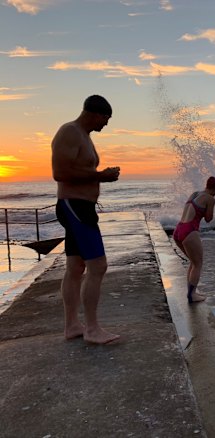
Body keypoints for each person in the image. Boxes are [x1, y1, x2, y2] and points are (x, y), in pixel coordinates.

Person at [51, 95, 121, 344]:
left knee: (75, 267)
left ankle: (72, 326)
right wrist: (100, 176)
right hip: (75, 206)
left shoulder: (84, 135)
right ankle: (92, 329)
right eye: (106, 119)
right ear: (95, 114)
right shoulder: (70, 131)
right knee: (98, 266)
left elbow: (80, 169)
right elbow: (60, 172)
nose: (106, 124)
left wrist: (100, 175)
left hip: (78, 206)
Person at [173, 177, 215, 303]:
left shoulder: (194, 194)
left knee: (193, 262)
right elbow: (208, 219)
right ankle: (192, 295)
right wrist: (210, 207)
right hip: (189, 230)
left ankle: (191, 292)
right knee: (198, 263)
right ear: (214, 190)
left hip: (178, 230)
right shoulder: (210, 198)